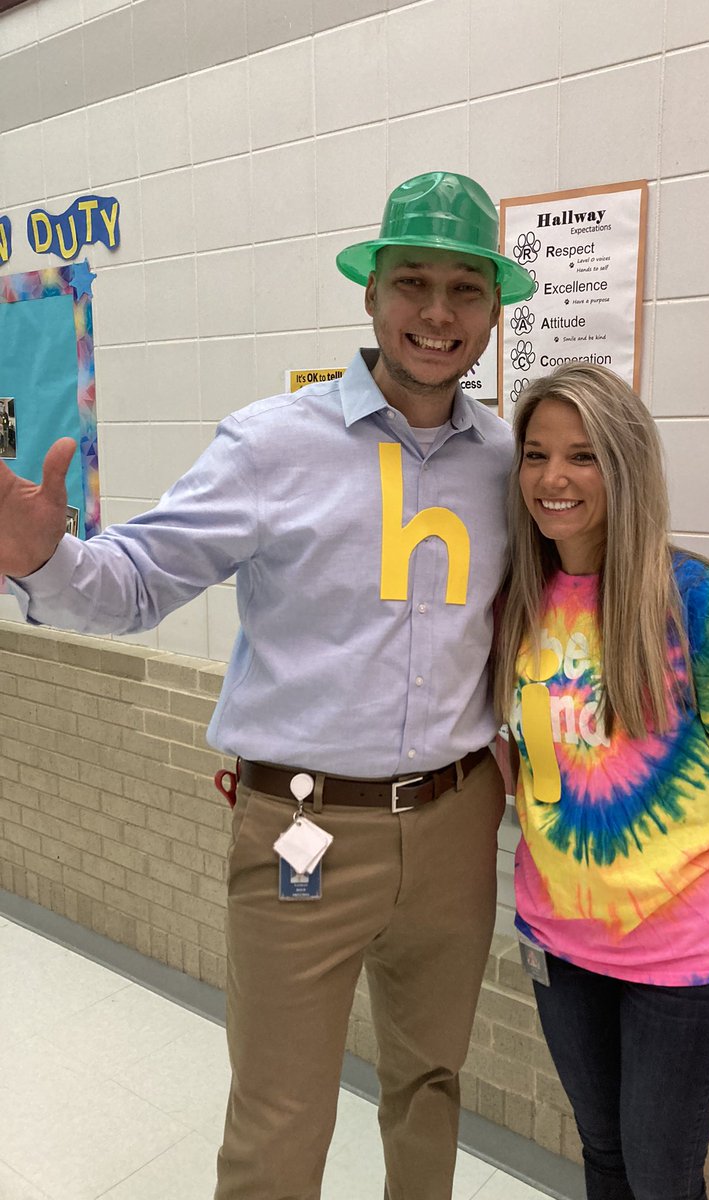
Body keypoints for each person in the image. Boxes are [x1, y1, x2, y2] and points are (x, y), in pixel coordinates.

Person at [0, 171, 537, 1200]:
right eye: (412, 282)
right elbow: (136, 585)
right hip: (304, 828)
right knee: (280, 1116)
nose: (437, 312)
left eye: (465, 289)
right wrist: (45, 561)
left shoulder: (507, 463)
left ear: (492, 312)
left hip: (460, 821)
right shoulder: (271, 444)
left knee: (431, 1083)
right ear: (370, 294)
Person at [493, 363, 709, 1200]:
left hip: (685, 963)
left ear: (625, 464)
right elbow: (528, 762)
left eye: (583, 455)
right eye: (536, 454)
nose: (554, 478)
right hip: (560, 945)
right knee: (602, 1157)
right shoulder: (520, 601)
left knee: (662, 1176)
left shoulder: (693, 599)